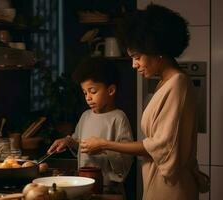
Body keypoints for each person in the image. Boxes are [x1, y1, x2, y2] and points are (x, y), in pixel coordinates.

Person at [80, 4, 209, 200]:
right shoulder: (164, 83)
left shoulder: (178, 84)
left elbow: (160, 146)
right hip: (158, 180)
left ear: (157, 51)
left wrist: (105, 144)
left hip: (172, 188)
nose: (134, 65)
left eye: (137, 57)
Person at [47, 57, 133, 195]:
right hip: (83, 185)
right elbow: (79, 143)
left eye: (93, 91)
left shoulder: (118, 118)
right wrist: (68, 141)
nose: (88, 97)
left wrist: (104, 148)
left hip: (108, 189)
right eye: (85, 92)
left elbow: (125, 159)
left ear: (111, 90)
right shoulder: (86, 116)